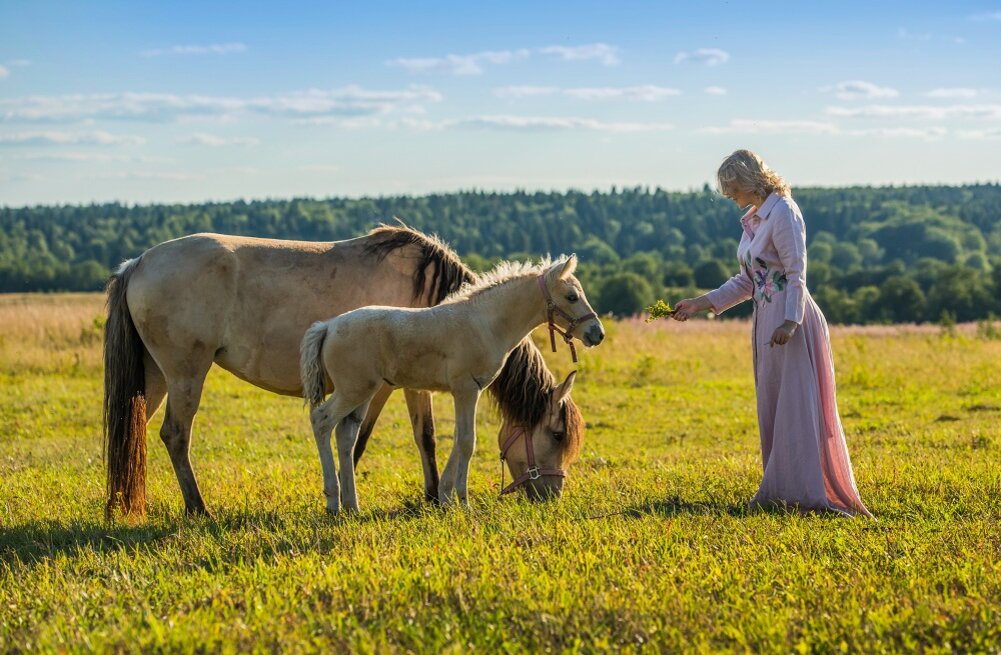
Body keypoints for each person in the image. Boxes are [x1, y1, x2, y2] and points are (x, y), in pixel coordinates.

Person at [673, 149, 872, 517]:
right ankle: (782, 488)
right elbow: (748, 281)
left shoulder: (783, 212)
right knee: (773, 404)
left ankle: (806, 490)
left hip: (789, 321)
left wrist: (791, 321)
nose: (728, 194)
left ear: (747, 180)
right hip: (766, 317)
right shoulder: (755, 218)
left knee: (795, 405)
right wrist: (699, 303)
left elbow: (796, 273)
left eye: (731, 186)